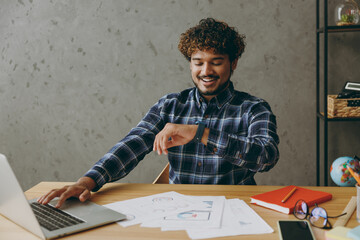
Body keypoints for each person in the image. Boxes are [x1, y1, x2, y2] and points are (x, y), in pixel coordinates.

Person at [38, 18, 279, 208]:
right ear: (190, 63)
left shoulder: (254, 108)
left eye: (216, 62)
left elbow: (266, 157)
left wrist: (200, 133)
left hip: (236, 208)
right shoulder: (170, 105)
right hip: (178, 208)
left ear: (233, 63)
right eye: (198, 62)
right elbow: (132, 144)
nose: (206, 71)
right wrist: (86, 182)